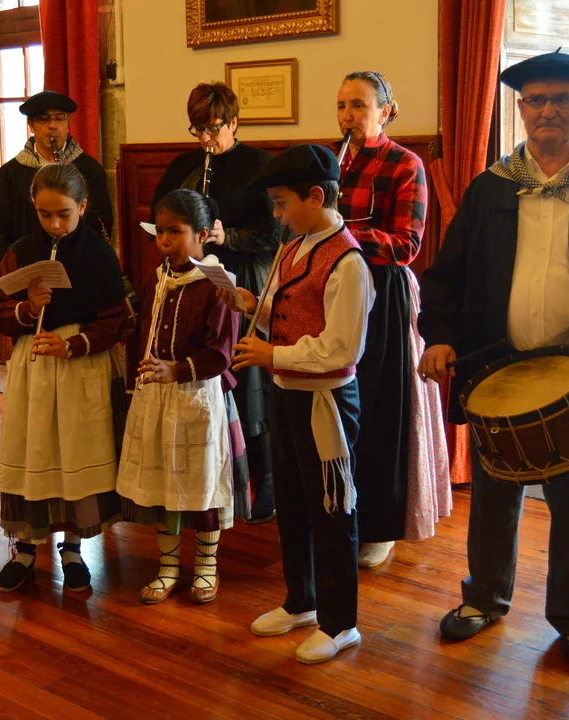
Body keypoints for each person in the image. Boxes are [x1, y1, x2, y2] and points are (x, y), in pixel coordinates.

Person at [417, 51, 569, 670]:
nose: (548, 110)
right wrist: (438, 336)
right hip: (497, 368)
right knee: (493, 499)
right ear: (521, 108)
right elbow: (444, 277)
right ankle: (484, 598)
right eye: (536, 100)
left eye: (562, 99)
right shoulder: (490, 188)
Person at [225, 144, 375, 665]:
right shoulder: (293, 247)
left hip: (327, 401)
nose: (277, 214)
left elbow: (341, 349)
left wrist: (272, 353)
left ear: (315, 196)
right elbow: (289, 313)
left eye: (281, 202)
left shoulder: (348, 262)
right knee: (291, 501)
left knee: (332, 508)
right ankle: (302, 602)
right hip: (288, 392)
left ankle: (341, 623)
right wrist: (254, 306)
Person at [0, 163, 129, 593]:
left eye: (63, 214)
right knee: (33, 449)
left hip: (79, 367)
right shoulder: (21, 251)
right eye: (44, 214)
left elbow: (116, 320)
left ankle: (72, 548)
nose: (53, 224)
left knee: (74, 451)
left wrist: (73, 344)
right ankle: (25, 548)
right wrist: (28, 308)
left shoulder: (99, 254)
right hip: (33, 368)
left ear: (82, 207)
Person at [334, 71, 451, 569]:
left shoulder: (405, 163)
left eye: (359, 106)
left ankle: (380, 525)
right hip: (335, 288)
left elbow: (407, 245)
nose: (348, 116)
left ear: (385, 111)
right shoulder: (331, 161)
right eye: (342, 106)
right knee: (339, 406)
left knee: (380, 409)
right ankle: (339, 515)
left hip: (383, 294)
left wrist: (343, 233)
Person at [151, 82, 279, 523]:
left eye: (214, 128)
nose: (206, 138)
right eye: (198, 129)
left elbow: (276, 232)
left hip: (241, 280)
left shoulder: (259, 164)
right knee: (205, 368)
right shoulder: (186, 164)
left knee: (246, 376)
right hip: (194, 278)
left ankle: (266, 481)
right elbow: (158, 213)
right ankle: (208, 469)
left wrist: (230, 236)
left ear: (234, 122)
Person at [116, 189, 245, 606]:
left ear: (202, 234)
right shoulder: (159, 278)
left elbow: (221, 353)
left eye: (175, 232)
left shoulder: (217, 284)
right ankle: (168, 566)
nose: (165, 241)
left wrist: (176, 370)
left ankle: (206, 565)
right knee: (163, 481)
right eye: (160, 232)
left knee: (201, 482)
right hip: (157, 396)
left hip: (198, 396)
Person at [0, 90, 113, 268]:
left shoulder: (89, 169)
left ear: (68, 124)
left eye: (59, 118)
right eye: (43, 119)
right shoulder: (11, 173)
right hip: (27, 266)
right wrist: (9, 271)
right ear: (31, 125)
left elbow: (102, 223)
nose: (52, 126)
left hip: (79, 266)